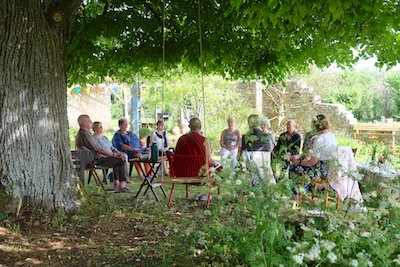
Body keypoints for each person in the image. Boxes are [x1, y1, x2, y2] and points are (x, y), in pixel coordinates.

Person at [75, 114, 130, 192]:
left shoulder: (85, 133)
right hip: (94, 160)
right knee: (121, 159)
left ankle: (117, 185)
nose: (91, 122)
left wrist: (114, 154)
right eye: (89, 121)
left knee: (118, 159)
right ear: (84, 123)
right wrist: (113, 154)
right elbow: (98, 149)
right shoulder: (85, 134)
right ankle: (121, 186)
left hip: (92, 159)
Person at [290, 114, 337, 198]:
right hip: (330, 170)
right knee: (300, 165)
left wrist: (298, 162)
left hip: (320, 172)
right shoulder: (332, 137)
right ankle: (303, 193)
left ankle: (296, 196)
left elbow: (312, 162)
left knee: (293, 167)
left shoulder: (320, 139)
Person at [239, 114, 275, 184]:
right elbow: (270, 150)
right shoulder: (267, 136)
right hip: (266, 172)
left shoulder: (245, 137)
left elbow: (242, 155)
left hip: (252, 172)